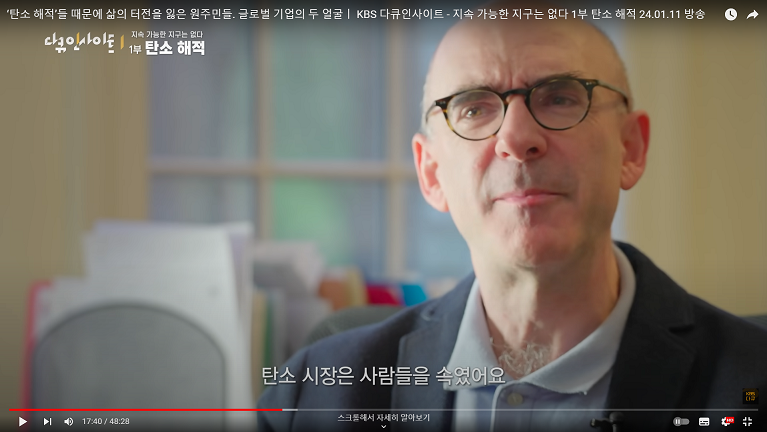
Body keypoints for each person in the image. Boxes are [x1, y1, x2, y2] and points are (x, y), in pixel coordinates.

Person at [256, 12, 767, 432]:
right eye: (473, 108)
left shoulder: (753, 383)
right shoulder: (312, 396)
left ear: (630, 149)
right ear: (431, 173)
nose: (517, 139)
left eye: (561, 97)